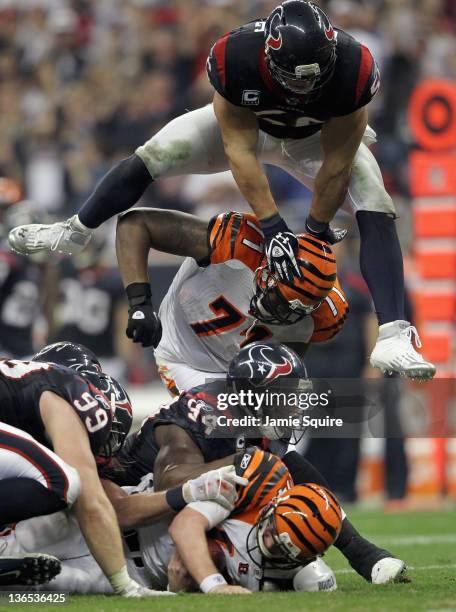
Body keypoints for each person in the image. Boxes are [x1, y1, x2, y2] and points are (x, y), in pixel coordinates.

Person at [8, 1, 434, 381]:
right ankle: (76, 228)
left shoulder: (353, 70)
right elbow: (240, 154)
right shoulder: (236, 56)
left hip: (315, 141)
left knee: (376, 200)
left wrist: (315, 234)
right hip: (247, 134)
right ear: (268, 57)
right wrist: (273, 230)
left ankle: (394, 333)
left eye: (313, 79)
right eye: (293, 78)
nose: (302, 89)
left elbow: (337, 166)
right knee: (156, 153)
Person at [111, 342, 407, 585]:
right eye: (286, 395)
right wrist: (244, 462)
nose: (294, 405)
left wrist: (249, 463)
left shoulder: (257, 419)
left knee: (289, 477)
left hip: (181, 516)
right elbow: (170, 483)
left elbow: (298, 474)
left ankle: (364, 554)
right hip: (128, 513)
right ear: (254, 395)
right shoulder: (204, 415)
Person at [0, 449, 337, 595]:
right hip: (125, 523)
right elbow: (185, 527)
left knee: (53, 584)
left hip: (140, 574)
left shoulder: (304, 573)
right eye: (270, 533)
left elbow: (322, 584)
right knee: (21, 541)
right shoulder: (252, 488)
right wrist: (214, 584)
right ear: (273, 506)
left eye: (279, 550)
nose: (266, 544)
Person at [115, 207, 348, 393]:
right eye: (280, 301)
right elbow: (134, 224)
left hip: (239, 373)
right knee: (212, 436)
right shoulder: (237, 244)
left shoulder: (327, 314)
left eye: (296, 311)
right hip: (184, 357)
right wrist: (139, 305)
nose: (283, 314)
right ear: (268, 272)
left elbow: (284, 364)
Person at [0, 344, 171, 596]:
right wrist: (125, 586)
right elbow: (90, 501)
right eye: (106, 440)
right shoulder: (74, 395)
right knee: (63, 481)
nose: (104, 454)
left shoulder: (29, 390)